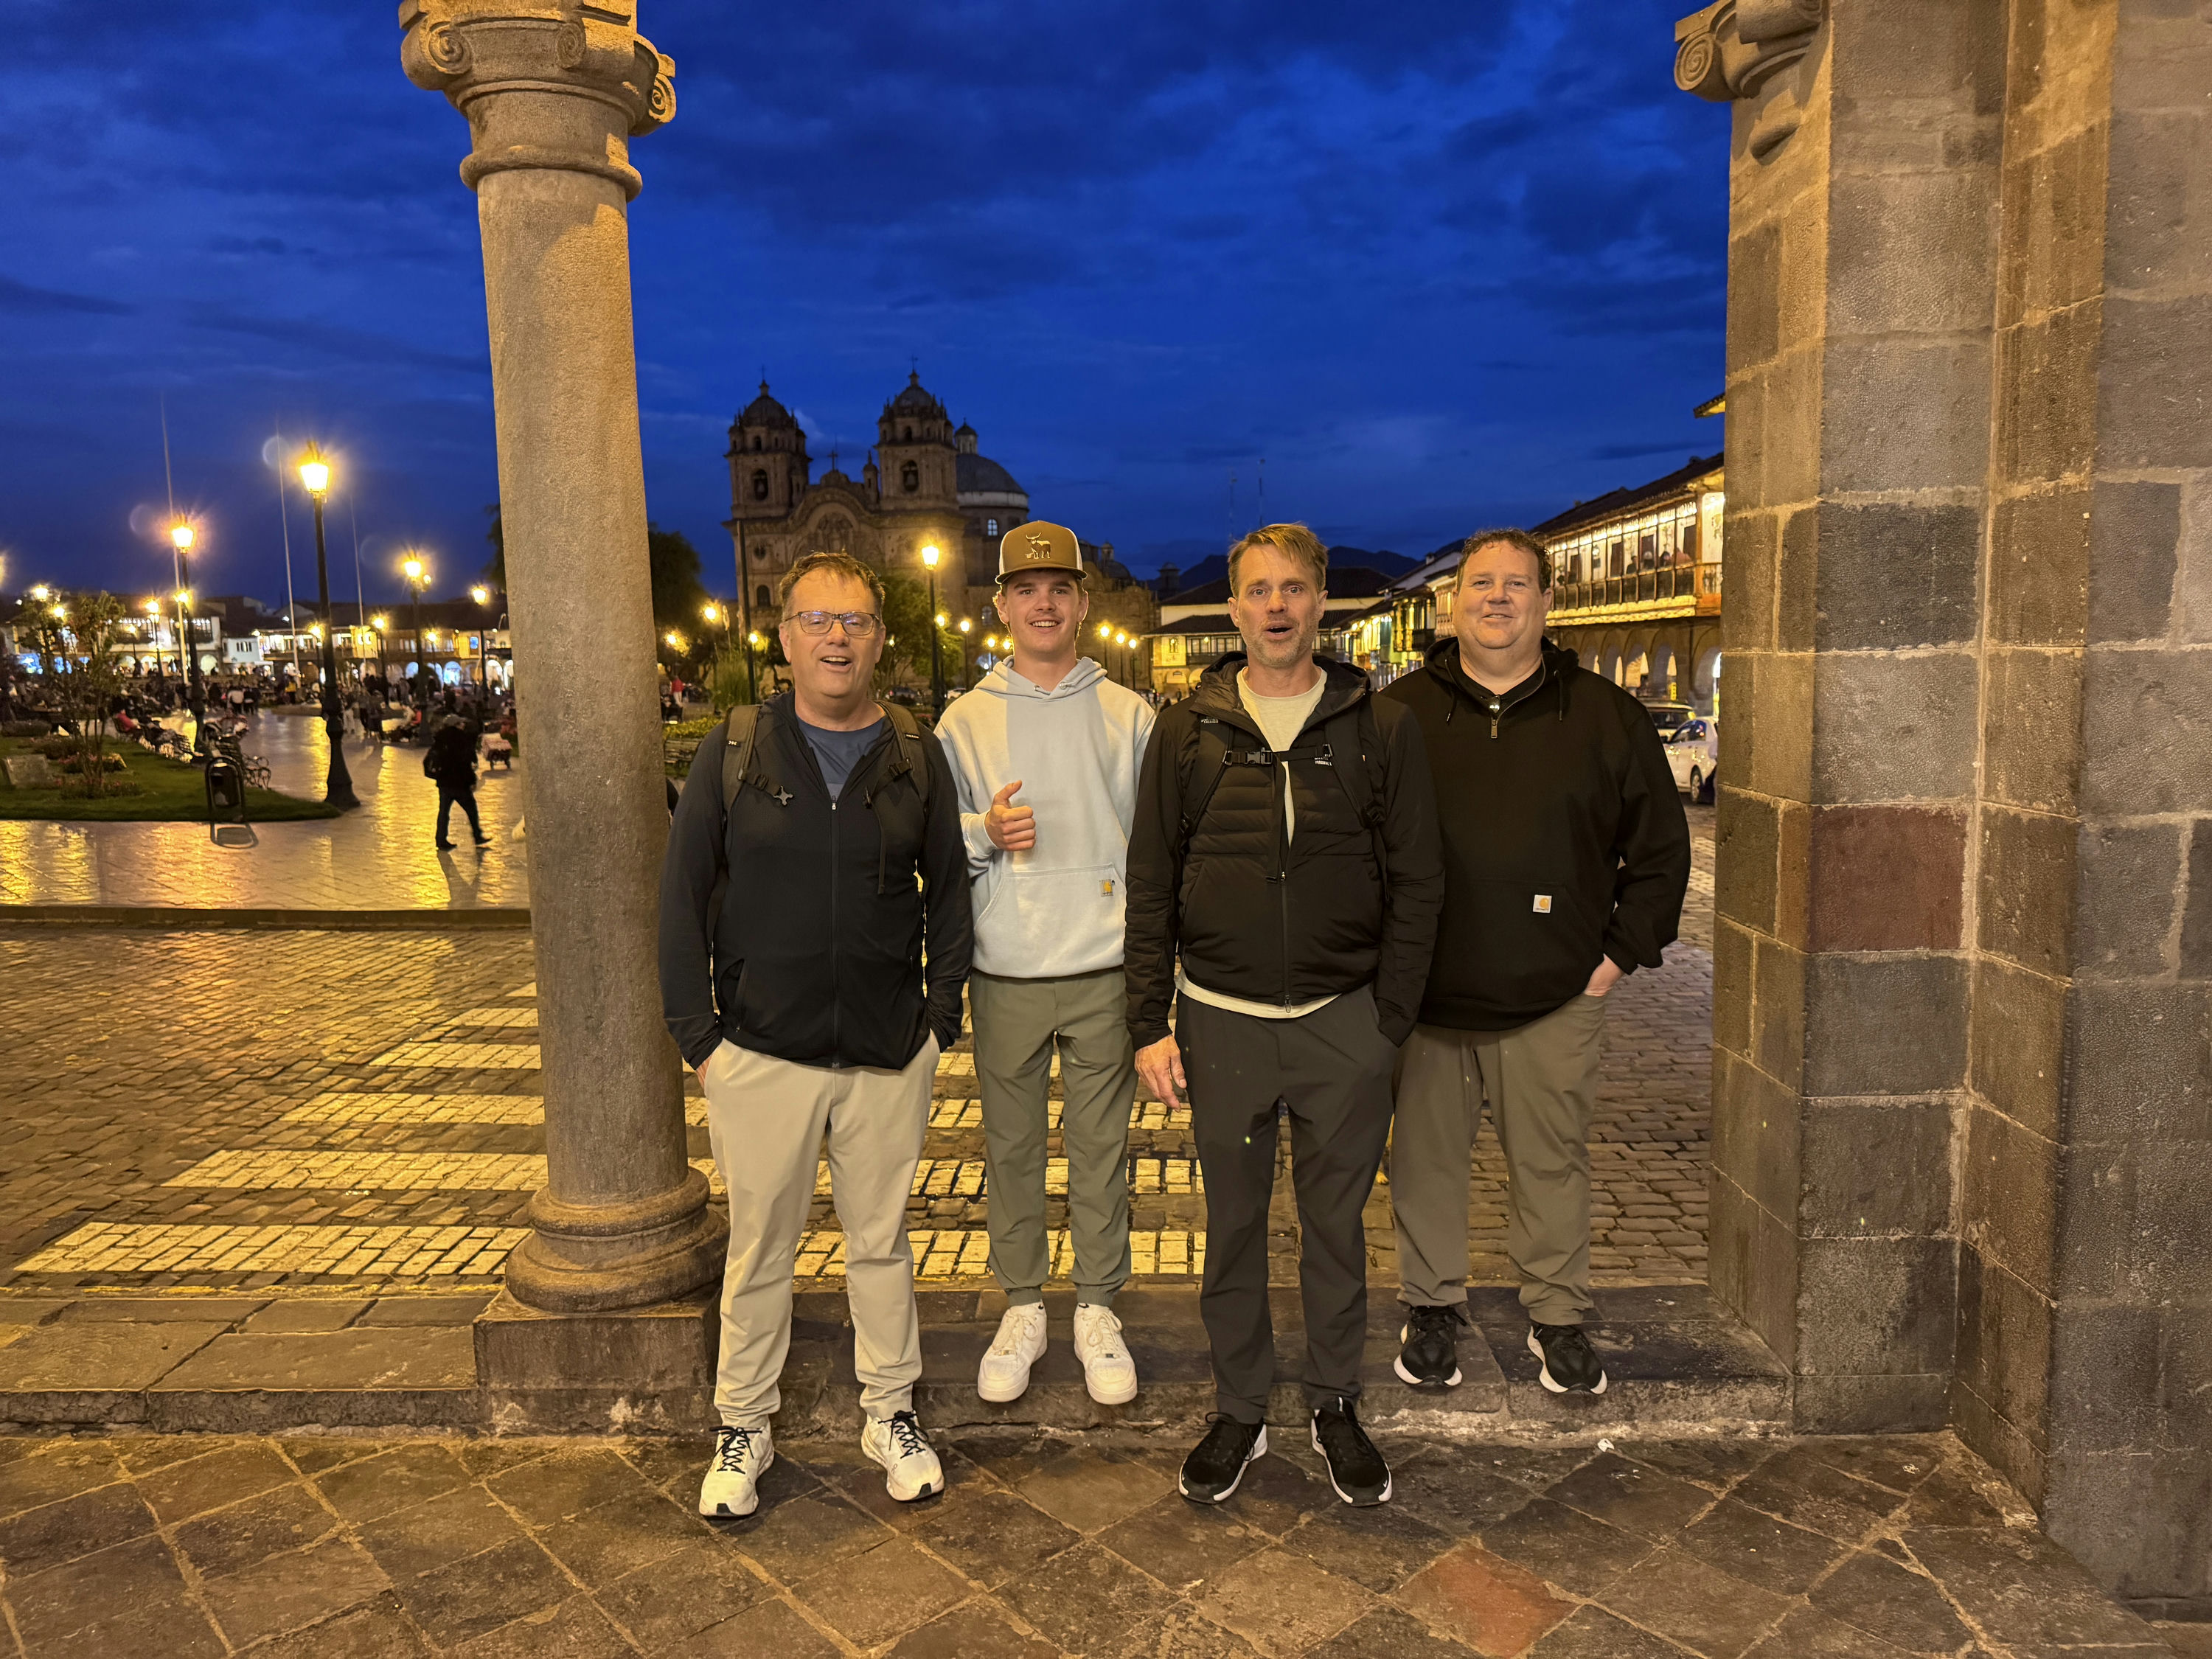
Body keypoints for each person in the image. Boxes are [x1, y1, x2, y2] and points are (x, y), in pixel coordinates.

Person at [1125, 522, 1443, 1508]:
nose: (1276, 606)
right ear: (1233, 609)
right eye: (1258, 590)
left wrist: (1389, 1018)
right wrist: (1147, 1021)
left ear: (1319, 602)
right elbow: (1150, 881)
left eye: (1293, 588)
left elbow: (1419, 879)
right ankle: (1240, 1407)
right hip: (1221, 1021)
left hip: (1344, 1020)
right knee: (1232, 1225)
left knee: (1336, 1225)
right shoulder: (1187, 730)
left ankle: (1335, 1401)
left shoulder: (1379, 726)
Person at [659, 549, 973, 1520]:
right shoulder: (736, 748)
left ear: (880, 639)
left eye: (856, 621)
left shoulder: (915, 752)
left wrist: (940, 1019)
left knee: (880, 1242)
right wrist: (701, 1040)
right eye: (817, 620)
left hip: (886, 1050)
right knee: (760, 1249)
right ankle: (744, 1422)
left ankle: (890, 1411)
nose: (838, 637)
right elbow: (680, 895)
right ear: (785, 638)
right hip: (761, 1052)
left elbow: (951, 888)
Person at [1380, 529, 1689, 1399]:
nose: (1498, 598)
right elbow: (1358, 848)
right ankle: (1431, 1306)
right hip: (1429, 999)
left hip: (1556, 996)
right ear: (1453, 604)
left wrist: (1615, 958)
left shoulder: (1604, 715)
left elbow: (1661, 851)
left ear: (1547, 602)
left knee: (1552, 1165)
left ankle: (1557, 1313)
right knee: (1424, 1165)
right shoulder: (1399, 715)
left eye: (1517, 584)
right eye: (1481, 583)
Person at [933, 521, 1156, 1406]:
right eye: (1025, 590)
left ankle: (1098, 1305)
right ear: (1001, 605)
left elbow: (1158, 849)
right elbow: (935, 844)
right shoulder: (965, 721)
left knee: (1103, 1148)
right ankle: (1023, 1304)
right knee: (1012, 1147)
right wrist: (983, 831)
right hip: (1007, 966)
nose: (1043, 604)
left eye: (1059, 588)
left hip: (1104, 964)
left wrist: (1160, 972)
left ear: (1083, 603)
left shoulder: (1128, 715)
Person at [425, 690, 488, 849]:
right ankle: (477, 836)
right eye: (460, 723)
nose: (463, 725)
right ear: (455, 725)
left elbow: (430, 759)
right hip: (459, 783)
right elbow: (464, 763)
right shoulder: (461, 739)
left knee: (444, 813)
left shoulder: (439, 740)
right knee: (471, 809)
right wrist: (472, 780)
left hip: (444, 782)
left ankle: (441, 840)